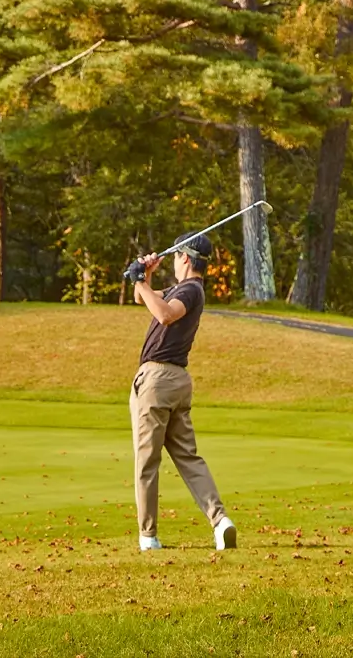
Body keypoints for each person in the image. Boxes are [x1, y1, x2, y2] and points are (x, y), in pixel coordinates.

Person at [126, 231, 237, 552]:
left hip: (157, 381)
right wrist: (143, 276)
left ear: (185, 258)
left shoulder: (189, 290)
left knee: (147, 461)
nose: (173, 262)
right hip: (176, 382)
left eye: (175, 256)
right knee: (188, 457)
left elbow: (164, 314)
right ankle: (220, 522)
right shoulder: (184, 289)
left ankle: (148, 537)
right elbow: (143, 299)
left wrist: (140, 280)